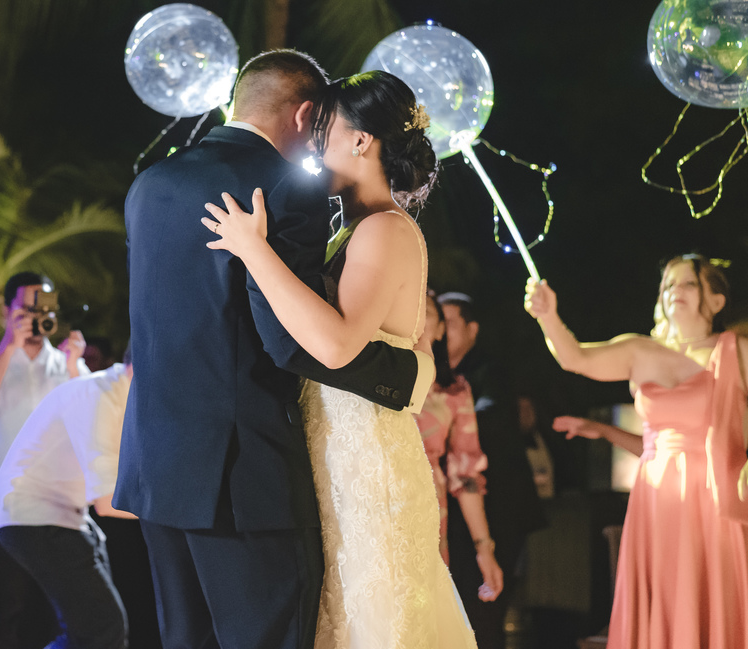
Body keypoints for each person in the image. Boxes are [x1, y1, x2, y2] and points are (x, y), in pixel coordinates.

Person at [117, 51, 430, 649]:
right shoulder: (283, 188)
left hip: (155, 468)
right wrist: (407, 374)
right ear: (306, 114)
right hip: (243, 477)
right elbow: (289, 344)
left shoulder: (149, 184)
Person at [202, 69, 472, 648]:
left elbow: (336, 344)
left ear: (360, 140)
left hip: (368, 467)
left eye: (323, 129)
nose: (311, 144)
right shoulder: (350, 231)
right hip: (340, 462)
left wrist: (253, 249)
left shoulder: (384, 230)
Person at [525, 255, 748, 649]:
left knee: (709, 597)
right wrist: (548, 316)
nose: (675, 291)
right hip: (656, 501)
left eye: (688, 284)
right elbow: (574, 358)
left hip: (711, 500)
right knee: (662, 596)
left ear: (716, 300)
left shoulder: (736, 352)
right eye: (668, 285)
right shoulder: (638, 350)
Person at [0, 271, 87, 649]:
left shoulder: (67, 364)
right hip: (1, 506)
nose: (37, 316)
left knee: (59, 617)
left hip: (57, 509)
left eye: (44, 308)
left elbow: (89, 423)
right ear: (7, 311)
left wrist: (74, 365)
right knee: (3, 614)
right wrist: (8, 347)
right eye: (28, 308)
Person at [0, 358, 136, 649]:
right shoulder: (98, 394)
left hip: (67, 516)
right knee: (102, 631)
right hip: (34, 514)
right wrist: (176, 511)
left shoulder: (122, 396)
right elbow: (107, 502)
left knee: (100, 633)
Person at [437, 291, 546, 649]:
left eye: (448, 321)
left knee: (485, 607)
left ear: (472, 329)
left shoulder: (488, 371)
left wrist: (449, 418)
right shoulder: (432, 374)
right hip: (457, 508)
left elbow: (493, 417)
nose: (441, 328)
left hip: (500, 505)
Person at [415, 292, 503, 602]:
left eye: (424, 310)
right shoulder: (369, 373)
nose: (413, 311)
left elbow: (466, 476)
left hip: (428, 506)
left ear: (440, 329)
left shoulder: (454, 390)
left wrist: (484, 550)